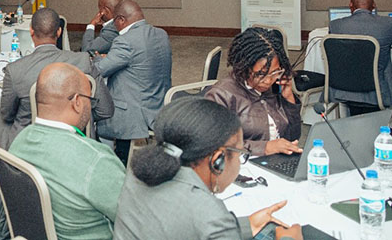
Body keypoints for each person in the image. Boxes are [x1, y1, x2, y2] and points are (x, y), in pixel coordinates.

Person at [0, 8, 113, 192]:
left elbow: (7, 115)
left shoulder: (15, 69)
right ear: (59, 32)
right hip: (75, 138)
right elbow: (106, 111)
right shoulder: (83, 61)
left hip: (27, 141)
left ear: (31, 32)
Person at [113, 97, 302, 240]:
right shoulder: (208, 212)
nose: (239, 160)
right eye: (239, 152)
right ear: (218, 159)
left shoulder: (138, 174)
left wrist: (246, 225)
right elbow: (203, 223)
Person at [9, 63, 125, 239]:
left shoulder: (20, 141)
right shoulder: (97, 160)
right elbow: (137, 218)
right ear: (77, 102)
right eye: (90, 100)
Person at [94, 0, 172, 164]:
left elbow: (100, 70)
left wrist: (96, 59)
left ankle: (113, 162)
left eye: (114, 21)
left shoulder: (125, 41)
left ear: (121, 19)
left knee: (94, 108)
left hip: (135, 113)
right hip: (159, 104)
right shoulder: (161, 34)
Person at [205, 27, 302, 157]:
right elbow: (214, 144)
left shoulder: (276, 86)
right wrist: (265, 147)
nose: (268, 81)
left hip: (276, 160)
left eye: (275, 72)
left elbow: (293, 137)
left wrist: (289, 99)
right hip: (241, 165)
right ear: (244, 67)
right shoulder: (221, 95)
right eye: (260, 74)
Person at [329, 0, 392, 108]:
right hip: (377, 90)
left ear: (350, 5)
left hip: (343, 91)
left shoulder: (335, 25)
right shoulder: (388, 24)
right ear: (373, 5)